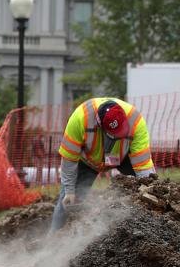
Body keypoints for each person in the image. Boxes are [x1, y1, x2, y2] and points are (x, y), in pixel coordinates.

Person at [51, 98, 155, 230]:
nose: (117, 136)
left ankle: (146, 228)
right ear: (99, 125)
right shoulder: (79, 119)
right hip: (89, 161)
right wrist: (70, 190)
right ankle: (54, 237)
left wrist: (152, 193)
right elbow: (69, 159)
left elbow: (143, 166)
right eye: (113, 134)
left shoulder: (135, 122)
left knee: (145, 189)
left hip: (121, 158)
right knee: (66, 200)